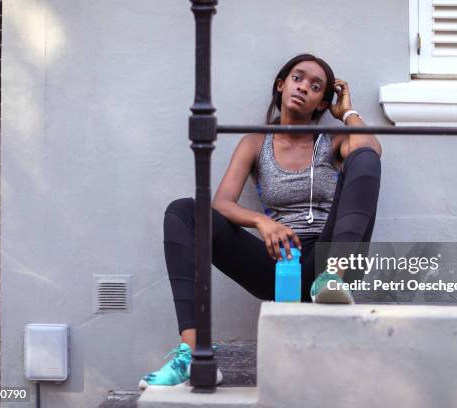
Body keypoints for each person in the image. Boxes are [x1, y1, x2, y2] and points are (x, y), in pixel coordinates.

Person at [139, 53, 382, 389]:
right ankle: (193, 357)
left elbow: (371, 151)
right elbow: (222, 203)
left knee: (365, 157)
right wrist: (261, 221)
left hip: (330, 255)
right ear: (281, 85)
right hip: (279, 262)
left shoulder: (333, 140)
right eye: (298, 78)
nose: (303, 88)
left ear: (321, 103)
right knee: (183, 211)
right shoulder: (255, 143)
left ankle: (331, 280)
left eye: (315, 87)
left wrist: (348, 113)